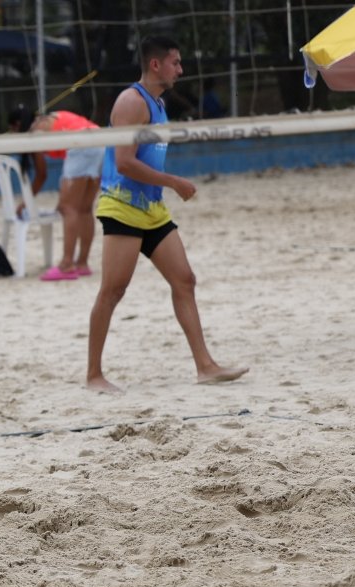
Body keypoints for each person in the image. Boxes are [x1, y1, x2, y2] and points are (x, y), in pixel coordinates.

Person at [86, 37, 248, 394]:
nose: (181, 69)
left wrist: (165, 186)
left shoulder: (158, 103)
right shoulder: (131, 101)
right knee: (113, 290)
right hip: (123, 206)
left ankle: (205, 366)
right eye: (175, 62)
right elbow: (124, 162)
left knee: (184, 280)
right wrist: (173, 181)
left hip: (151, 208)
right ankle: (93, 375)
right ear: (155, 64)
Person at [9, 105, 102, 281]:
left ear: (17, 125)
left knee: (67, 208)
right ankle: (82, 263)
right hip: (101, 141)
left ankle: (66, 264)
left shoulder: (36, 132)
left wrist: (25, 203)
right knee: (84, 209)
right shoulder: (53, 117)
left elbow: (41, 175)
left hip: (81, 144)